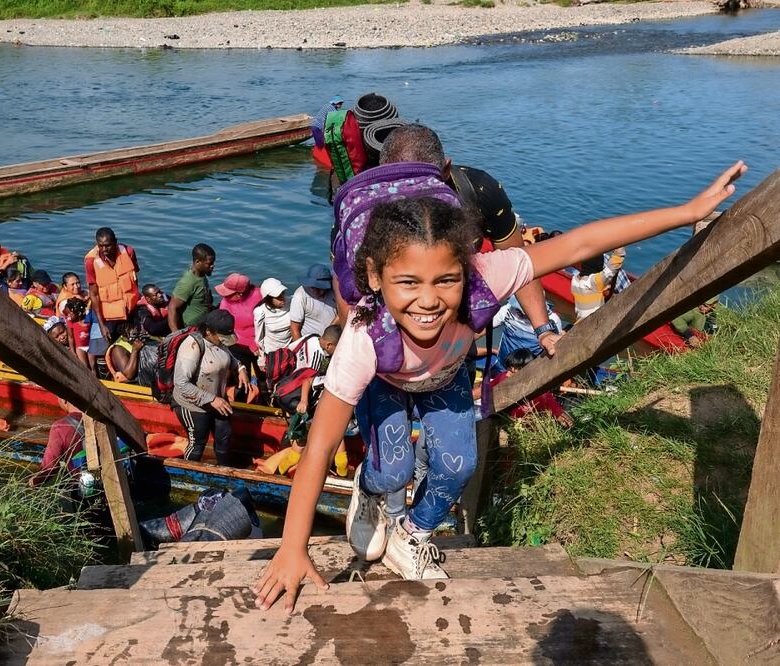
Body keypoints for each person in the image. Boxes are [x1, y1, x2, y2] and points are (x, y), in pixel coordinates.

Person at [253, 161, 744, 605]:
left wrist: (688, 211)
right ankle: (373, 490)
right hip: (386, 381)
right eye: (408, 283)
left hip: (445, 378)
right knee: (393, 467)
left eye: (446, 280)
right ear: (376, 278)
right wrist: (293, 549)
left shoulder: (490, 274)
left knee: (458, 464)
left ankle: (412, 535)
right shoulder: (365, 337)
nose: (428, 301)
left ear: (468, 270)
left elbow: (580, 245)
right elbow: (319, 446)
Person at [346, 123, 561, 357]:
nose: (411, 194)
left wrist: (543, 330)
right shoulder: (361, 209)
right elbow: (345, 284)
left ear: (446, 170)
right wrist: (354, 352)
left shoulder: (479, 191)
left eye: (423, 184)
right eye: (398, 185)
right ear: (384, 175)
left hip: (453, 329)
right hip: (386, 339)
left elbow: (519, 260)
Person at [172, 309, 251, 465]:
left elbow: (228, 355)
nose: (224, 340)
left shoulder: (219, 341)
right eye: (221, 337)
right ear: (208, 331)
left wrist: (240, 368)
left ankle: (224, 471)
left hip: (217, 400)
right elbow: (181, 383)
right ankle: (188, 473)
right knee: (198, 442)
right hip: (192, 405)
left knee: (224, 436)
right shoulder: (192, 347)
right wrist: (211, 399)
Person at [85, 227, 140, 353]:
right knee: (104, 350)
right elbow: (94, 294)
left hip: (130, 309)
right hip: (108, 316)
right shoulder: (90, 261)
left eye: (108, 245)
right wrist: (101, 325)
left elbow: (135, 278)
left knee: (134, 343)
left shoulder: (128, 252)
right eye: (101, 246)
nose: (104, 250)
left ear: (116, 242)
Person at [483, 349, 572, 427]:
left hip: (527, 429)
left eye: (515, 370)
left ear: (527, 371)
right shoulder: (502, 378)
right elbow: (483, 391)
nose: (508, 374)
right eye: (509, 368)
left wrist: (565, 420)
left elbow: (556, 410)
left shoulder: (539, 391)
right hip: (503, 423)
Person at [491, 296, 564, 374]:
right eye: (518, 310)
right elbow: (482, 328)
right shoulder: (508, 310)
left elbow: (555, 347)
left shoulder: (553, 320)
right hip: (503, 363)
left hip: (530, 370)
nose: (520, 314)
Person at [29, 399, 86, 488]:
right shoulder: (101, 420)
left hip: (83, 487)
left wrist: (32, 482)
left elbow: (50, 469)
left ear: (64, 399)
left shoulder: (60, 427)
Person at [168, 243, 216, 331]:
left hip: (203, 323)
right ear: (197, 262)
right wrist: (175, 334)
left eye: (213, 263)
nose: (212, 266)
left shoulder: (201, 275)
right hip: (191, 328)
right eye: (209, 263)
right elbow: (172, 307)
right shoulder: (188, 282)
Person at [572, 247, 626, 321]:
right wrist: (620, 246)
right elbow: (614, 264)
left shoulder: (574, 281)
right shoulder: (595, 282)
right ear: (598, 266)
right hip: (593, 325)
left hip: (579, 322)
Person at [289, 264, 337, 340]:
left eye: (319, 288)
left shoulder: (335, 291)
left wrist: (328, 333)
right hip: (310, 343)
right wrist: (300, 349)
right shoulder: (300, 294)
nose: (315, 291)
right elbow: (295, 328)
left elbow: (341, 314)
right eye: (312, 287)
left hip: (331, 340)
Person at [216, 273, 262, 352]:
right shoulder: (225, 305)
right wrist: (250, 344)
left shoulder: (260, 295)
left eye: (227, 293)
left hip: (262, 340)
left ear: (239, 294)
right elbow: (228, 334)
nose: (224, 296)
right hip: (239, 343)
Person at [254, 278, 292, 363]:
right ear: (268, 298)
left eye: (283, 293)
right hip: (272, 353)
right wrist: (262, 359)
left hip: (290, 349)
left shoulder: (291, 302)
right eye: (278, 297)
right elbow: (259, 338)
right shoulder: (261, 311)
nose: (283, 299)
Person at [64, 297, 95, 366]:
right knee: (84, 366)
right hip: (79, 347)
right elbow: (70, 337)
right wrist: (72, 351)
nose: (68, 316)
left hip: (90, 345)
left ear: (78, 313)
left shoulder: (88, 319)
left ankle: (94, 376)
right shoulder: (70, 321)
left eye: (70, 314)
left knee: (93, 365)